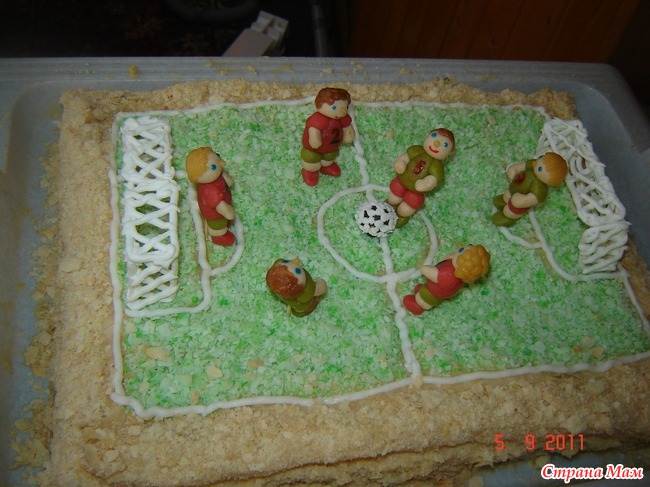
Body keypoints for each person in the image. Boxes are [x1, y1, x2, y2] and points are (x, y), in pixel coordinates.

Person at [387, 128, 455, 227]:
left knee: (405, 209)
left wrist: (425, 184)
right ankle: (389, 204)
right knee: (393, 198)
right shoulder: (418, 150)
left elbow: (434, 179)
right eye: (434, 136)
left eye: (445, 144)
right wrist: (402, 162)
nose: (436, 143)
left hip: (415, 192)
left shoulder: (436, 165)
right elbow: (406, 156)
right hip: (402, 181)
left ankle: (402, 216)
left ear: (450, 153)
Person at [403, 244, 490, 315]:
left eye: (460, 251)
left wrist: (424, 268)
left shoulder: (450, 275)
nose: (458, 249)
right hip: (434, 288)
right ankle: (422, 291)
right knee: (425, 290)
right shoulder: (457, 271)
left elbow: (435, 275)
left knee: (426, 299)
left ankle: (417, 305)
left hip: (434, 292)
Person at [492, 152, 568, 227]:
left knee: (510, 211)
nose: (536, 163)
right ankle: (504, 202)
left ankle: (508, 218)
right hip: (513, 188)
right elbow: (522, 166)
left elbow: (534, 198)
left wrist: (522, 201)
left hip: (518, 202)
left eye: (540, 168)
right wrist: (514, 170)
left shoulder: (540, 187)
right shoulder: (533, 164)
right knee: (506, 195)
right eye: (540, 158)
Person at [301, 87, 355, 186]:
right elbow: (313, 129)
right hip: (314, 149)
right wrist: (314, 139)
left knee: (329, 157)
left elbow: (347, 127)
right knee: (311, 158)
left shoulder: (343, 118)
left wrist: (348, 134)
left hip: (332, 147)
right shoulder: (319, 119)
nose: (343, 111)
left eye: (346, 107)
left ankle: (326, 166)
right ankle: (310, 171)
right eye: (334, 108)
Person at [185, 147, 236, 246]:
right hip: (216, 215)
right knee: (218, 226)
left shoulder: (217, 176)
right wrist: (229, 213)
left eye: (217, 155)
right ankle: (216, 237)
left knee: (226, 221)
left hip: (224, 205)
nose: (220, 163)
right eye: (213, 167)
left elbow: (228, 181)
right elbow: (221, 206)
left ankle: (225, 224)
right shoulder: (210, 191)